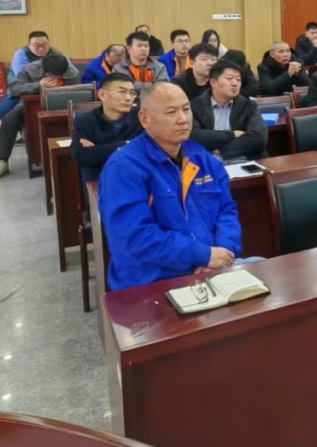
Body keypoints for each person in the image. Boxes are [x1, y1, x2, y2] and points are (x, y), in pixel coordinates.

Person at [98, 83, 242, 291]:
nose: (183, 119)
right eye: (171, 112)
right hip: (153, 281)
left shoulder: (201, 157)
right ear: (144, 119)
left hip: (214, 267)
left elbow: (226, 210)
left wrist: (222, 253)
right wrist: (203, 255)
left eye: (186, 109)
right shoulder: (123, 168)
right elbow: (135, 237)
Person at [0, 52, 80, 181]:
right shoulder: (30, 69)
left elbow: (77, 94)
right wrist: (37, 85)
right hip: (31, 105)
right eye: (51, 75)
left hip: (62, 106)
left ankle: (74, 154)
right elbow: (14, 89)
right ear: (43, 70)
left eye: (59, 75)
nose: (56, 78)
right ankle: (2, 161)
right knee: (10, 119)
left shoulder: (72, 72)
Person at [70, 73, 144, 184]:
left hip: (136, 175)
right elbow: (81, 155)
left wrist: (98, 149)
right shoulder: (84, 121)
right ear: (103, 95)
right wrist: (126, 144)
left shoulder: (141, 117)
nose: (128, 98)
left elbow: (149, 148)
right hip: (101, 179)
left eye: (132, 93)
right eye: (122, 92)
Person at [190, 60, 268, 161]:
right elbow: (195, 136)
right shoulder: (196, 106)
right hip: (207, 162)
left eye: (238, 80)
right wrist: (232, 135)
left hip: (244, 161)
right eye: (229, 79)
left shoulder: (248, 105)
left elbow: (258, 138)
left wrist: (222, 152)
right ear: (213, 82)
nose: (235, 83)